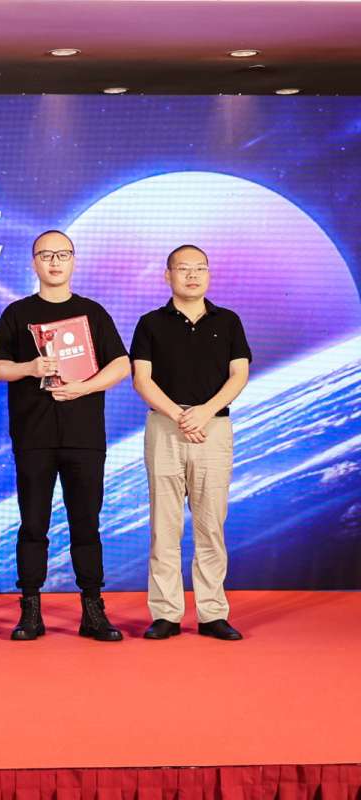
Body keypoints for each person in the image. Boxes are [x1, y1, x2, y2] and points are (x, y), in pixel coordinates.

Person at [0, 230, 130, 642]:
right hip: (33, 435)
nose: (54, 262)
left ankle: (93, 610)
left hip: (84, 436)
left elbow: (121, 365)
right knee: (33, 524)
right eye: (46, 255)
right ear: (34, 262)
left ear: (73, 260)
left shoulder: (92, 313)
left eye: (63, 254)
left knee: (86, 524)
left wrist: (84, 388)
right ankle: (30, 610)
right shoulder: (18, 313)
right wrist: (30, 368)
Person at [130, 245, 251, 641]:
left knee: (210, 525)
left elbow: (239, 374)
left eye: (201, 268)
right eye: (183, 268)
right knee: (164, 528)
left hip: (213, 428)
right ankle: (165, 614)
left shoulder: (228, 321)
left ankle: (212, 613)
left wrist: (204, 412)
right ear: (168, 276)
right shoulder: (150, 323)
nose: (193, 275)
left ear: (209, 275)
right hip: (165, 428)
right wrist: (180, 416)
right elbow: (142, 379)